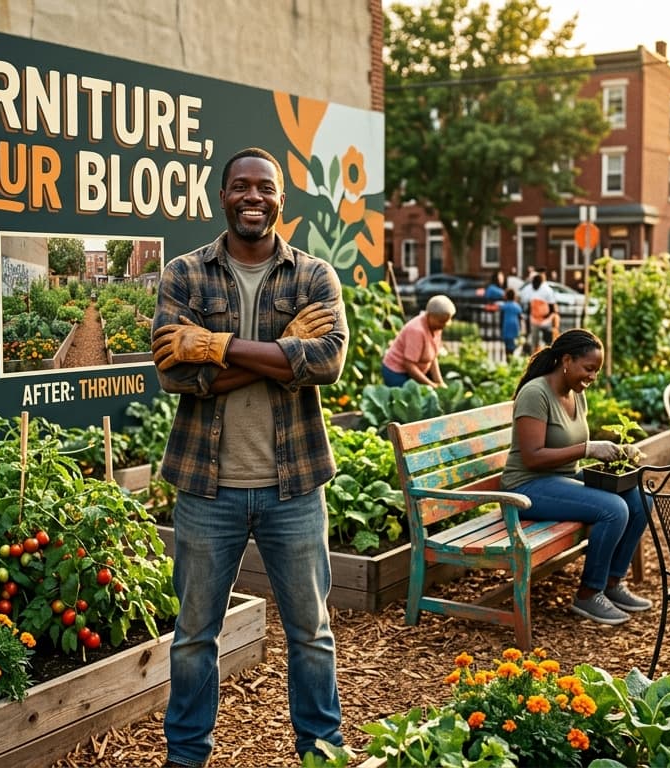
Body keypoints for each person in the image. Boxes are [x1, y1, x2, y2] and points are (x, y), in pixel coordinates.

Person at [151, 147, 347, 767]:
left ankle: (320, 752)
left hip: (296, 486)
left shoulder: (314, 276)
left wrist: (215, 346)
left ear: (281, 199)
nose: (253, 197)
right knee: (192, 640)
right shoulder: (184, 273)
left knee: (311, 636)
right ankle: (186, 757)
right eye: (241, 187)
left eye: (265, 187)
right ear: (223, 196)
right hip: (207, 488)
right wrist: (285, 354)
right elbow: (173, 377)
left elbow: (330, 363)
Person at [501, 329, 651, 626]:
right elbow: (532, 456)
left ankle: (612, 583)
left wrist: (616, 449)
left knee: (639, 500)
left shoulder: (575, 393)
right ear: (566, 360)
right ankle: (588, 593)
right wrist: (587, 448)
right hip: (526, 487)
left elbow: (569, 444)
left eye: (596, 370)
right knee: (613, 509)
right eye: (589, 368)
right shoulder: (536, 393)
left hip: (562, 480)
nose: (593, 376)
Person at [382, 294, 454, 387]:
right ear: (429, 315)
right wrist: (431, 385)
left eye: (447, 321)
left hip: (414, 372)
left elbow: (432, 358)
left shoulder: (436, 328)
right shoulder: (416, 330)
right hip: (397, 372)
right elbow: (409, 365)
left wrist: (440, 383)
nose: (445, 325)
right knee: (407, 399)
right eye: (441, 321)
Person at [526, 272, 557, 352]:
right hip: (535, 319)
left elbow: (552, 308)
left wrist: (549, 319)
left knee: (546, 342)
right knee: (536, 342)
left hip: (545, 320)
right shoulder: (531, 290)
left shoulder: (546, 290)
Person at [499, 287, 524, 356]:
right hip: (514, 326)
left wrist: (500, 328)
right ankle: (512, 356)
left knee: (507, 345)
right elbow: (520, 318)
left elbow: (501, 318)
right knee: (513, 343)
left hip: (506, 326)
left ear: (506, 296)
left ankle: (508, 358)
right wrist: (521, 328)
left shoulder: (504, 306)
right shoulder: (517, 306)